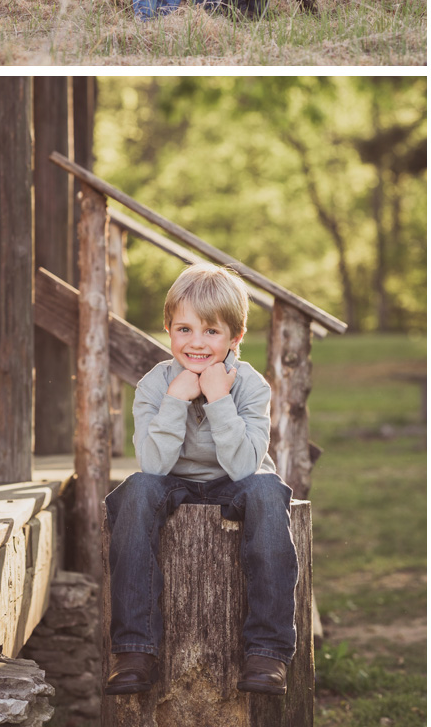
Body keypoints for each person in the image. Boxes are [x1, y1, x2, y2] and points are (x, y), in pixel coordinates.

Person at [104, 263, 299, 697]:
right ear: (168, 330)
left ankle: (267, 652)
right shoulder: (154, 385)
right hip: (171, 480)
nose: (196, 342)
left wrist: (217, 397)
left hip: (237, 479)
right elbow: (153, 466)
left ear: (236, 338)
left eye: (211, 331)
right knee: (134, 492)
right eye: (184, 328)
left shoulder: (251, 386)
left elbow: (246, 467)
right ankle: (134, 650)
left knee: (269, 492)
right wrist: (176, 399)